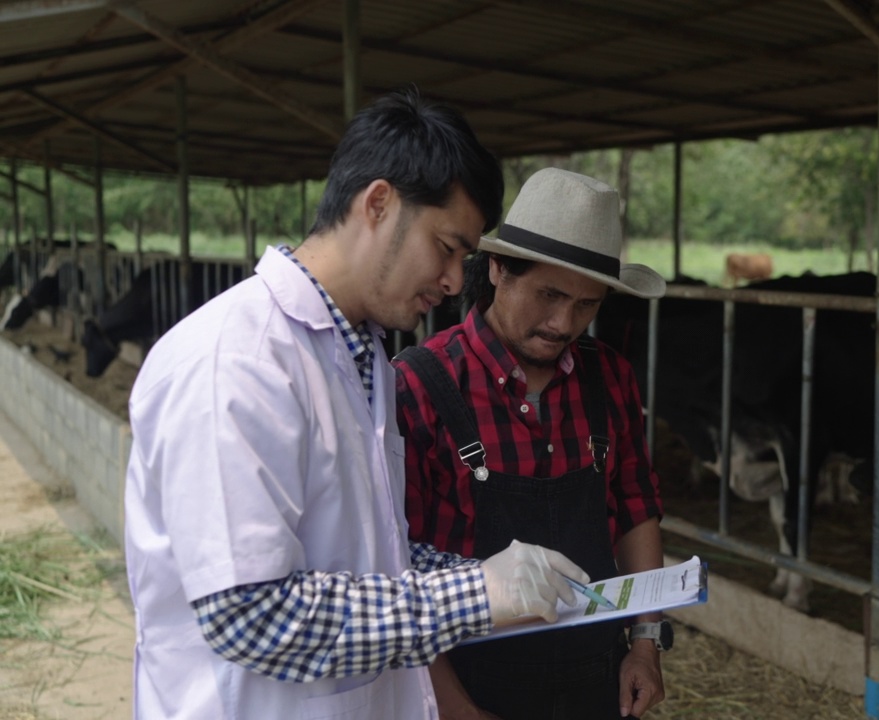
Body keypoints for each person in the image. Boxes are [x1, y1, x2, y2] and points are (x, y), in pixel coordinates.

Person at [123, 89, 593, 720]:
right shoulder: (234, 362)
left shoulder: (364, 358)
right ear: (378, 204)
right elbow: (250, 616)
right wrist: (474, 595)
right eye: (448, 248)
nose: (457, 281)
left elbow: (369, 547)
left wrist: (488, 572)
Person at [395, 167, 670, 720]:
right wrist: (453, 708)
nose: (564, 322)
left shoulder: (609, 376)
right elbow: (397, 568)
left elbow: (636, 510)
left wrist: (644, 644)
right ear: (497, 268)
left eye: (587, 305)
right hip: (472, 680)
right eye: (549, 294)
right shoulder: (421, 385)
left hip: (597, 675)